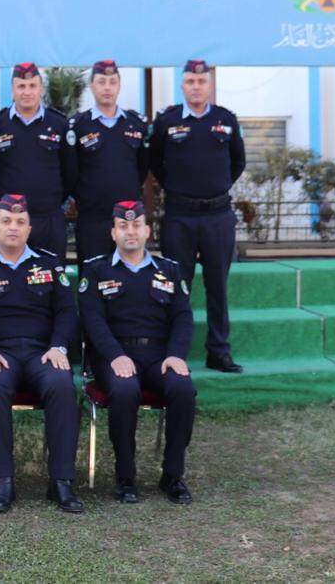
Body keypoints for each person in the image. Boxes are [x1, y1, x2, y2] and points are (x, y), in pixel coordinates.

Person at [0, 193, 83, 514]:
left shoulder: (49, 264)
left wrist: (59, 346)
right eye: (6, 221)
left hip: (43, 353)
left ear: (29, 229)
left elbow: (67, 311)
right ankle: (3, 481)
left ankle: (61, 481)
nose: (13, 227)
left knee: (62, 385)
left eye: (20, 222)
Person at [79, 200, 196, 505]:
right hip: (114, 355)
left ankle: (172, 475)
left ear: (147, 231)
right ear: (113, 233)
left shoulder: (169, 270)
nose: (130, 231)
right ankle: (125, 476)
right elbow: (93, 320)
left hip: (160, 356)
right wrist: (115, 356)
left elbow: (183, 318)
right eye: (123, 226)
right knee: (124, 390)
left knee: (183, 389)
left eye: (136, 225)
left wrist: (176, 355)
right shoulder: (96, 270)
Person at [149, 60, 247, 374]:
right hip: (180, 216)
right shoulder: (167, 121)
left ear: (210, 85)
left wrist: (215, 189)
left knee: (218, 286)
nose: (196, 87)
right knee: (177, 286)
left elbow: (238, 162)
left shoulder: (226, 119)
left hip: (218, 215)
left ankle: (218, 352)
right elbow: (155, 162)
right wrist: (181, 190)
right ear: (182, 85)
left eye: (201, 81)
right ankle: (173, 352)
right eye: (190, 81)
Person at [0, 63, 76, 258]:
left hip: (48, 220)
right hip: (8, 221)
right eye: (21, 86)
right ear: (12, 89)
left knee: (51, 274)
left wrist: (50, 199)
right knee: (5, 273)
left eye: (32, 86)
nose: (27, 92)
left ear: (41, 88)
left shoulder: (59, 124)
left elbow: (70, 172)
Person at [68, 60, 149, 264]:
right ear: (91, 85)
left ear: (119, 86)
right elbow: (70, 170)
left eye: (112, 82)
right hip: (92, 219)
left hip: (128, 220)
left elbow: (142, 167)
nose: (107, 87)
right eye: (101, 82)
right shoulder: (78, 126)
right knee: (93, 275)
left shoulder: (136, 124)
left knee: (130, 275)